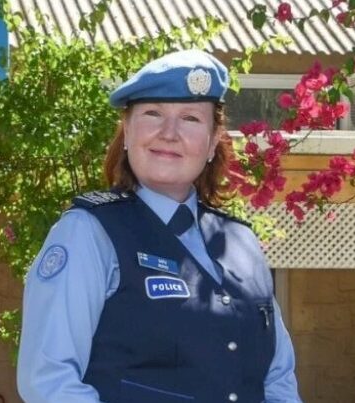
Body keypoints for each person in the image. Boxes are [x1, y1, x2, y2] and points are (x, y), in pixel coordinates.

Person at [17, 49, 302, 403]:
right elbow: (49, 381)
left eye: (190, 119)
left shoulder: (242, 243)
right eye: (153, 114)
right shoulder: (88, 233)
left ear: (213, 142)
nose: (169, 133)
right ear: (127, 131)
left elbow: (278, 378)